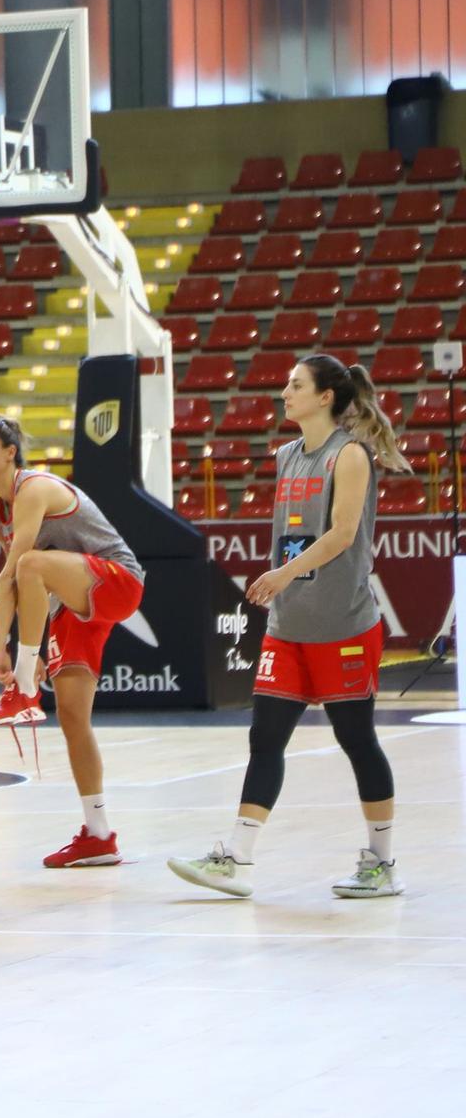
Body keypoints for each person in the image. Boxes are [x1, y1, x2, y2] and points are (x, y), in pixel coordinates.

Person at [169, 355, 409, 900]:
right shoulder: (287, 456)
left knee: (356, 739)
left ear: (325, 396)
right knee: (266, 737)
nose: (284, 392)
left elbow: (344, 533)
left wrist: (283, 573)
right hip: (289, 625)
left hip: (343, 623)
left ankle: (383, 862)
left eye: (295, 385)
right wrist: (285, 584)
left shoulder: (349, 455)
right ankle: (237, 857)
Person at [0, 415, 145, 868]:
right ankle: (99, 832)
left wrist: (21, 666)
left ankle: (25, 688)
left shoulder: (33, 488)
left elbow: (21, 568)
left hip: (117, 579)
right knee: (72, 716)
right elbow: (11, 584)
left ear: (10, 452)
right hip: (74, 604)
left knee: (28, 562)